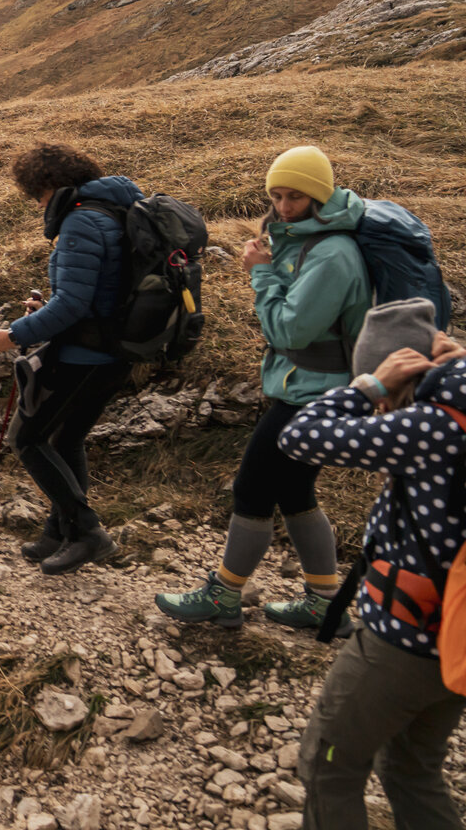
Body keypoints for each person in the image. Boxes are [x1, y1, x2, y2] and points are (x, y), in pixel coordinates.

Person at [157, 146, 371, 629]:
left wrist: (259, 273)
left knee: (253, 486)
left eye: (296, 196)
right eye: (276, 196)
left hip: (315, 395)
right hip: (313, 388)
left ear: (319, 196)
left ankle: (225, 596)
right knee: (295, 492)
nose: (285, 206)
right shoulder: (307, 241)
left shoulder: (334, 255)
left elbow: (289, 331)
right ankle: (324, 603)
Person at [276, 299, 465, 829]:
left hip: (404, 642)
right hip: (456, 642)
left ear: (401, 373)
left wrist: (369, 388)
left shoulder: (429, 427)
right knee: (411, 767)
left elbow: (300, 436)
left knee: (327, 763)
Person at [0, 145, 140, 575]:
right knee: (65, 439)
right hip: (114, 350)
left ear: (49, 186)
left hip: (87, 355)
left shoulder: (82, 220)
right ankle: (58, 532)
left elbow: (73, 305)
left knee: (27, 438)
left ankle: (88, 532)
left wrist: (10, 337)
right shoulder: (115, 210)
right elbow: (96, 292)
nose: (40, 205)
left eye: (38, 196)